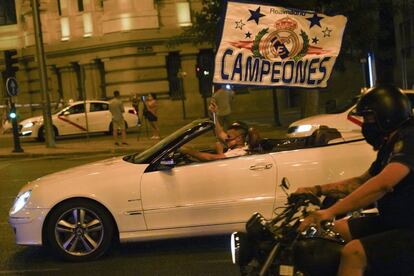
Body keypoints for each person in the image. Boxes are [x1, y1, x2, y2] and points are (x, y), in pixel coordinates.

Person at [295, 84, 414, 276]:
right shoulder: (389, 146)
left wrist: (331, 211)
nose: (365, 124)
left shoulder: (409, 138)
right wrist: (316, 189)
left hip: (409, 227)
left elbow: (383, 183)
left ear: (387, 114)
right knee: (335, 230)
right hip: (395, 221)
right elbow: (361, 182)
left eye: (368, 117)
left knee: (354, 252)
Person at [179, 102, 248, 162]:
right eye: (227, 135)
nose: (226, 139)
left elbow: (210, 158)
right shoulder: (234, 146)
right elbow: (220, 133)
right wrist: (214, 114)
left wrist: (188, 151)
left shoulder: (238, 152)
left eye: (229, 137)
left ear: (239, 138)